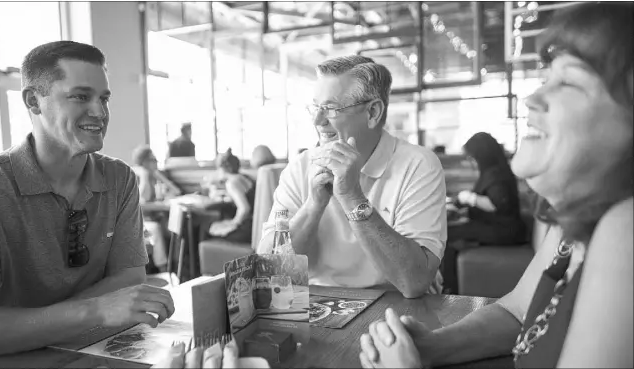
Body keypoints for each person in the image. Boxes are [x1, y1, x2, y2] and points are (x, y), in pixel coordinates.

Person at [360, 3, 633, 368]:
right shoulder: (569, 225)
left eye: (568, 81)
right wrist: (434, 347)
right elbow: (517, 315)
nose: (531, 98)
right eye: (546, 77)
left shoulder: (626, 229)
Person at [0, 41, 175, 366]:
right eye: (80, 96)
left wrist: (32, 323)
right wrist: (96, 309)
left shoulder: (119, 179)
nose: (100, 112)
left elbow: (129, 281)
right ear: (34, 101)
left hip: (91, 351)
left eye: (104, 98)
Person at [256, 55, 447, 298]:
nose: (318, 121)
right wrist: (313, 206)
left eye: (332, 108)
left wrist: (352, 196)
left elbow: (413, 282)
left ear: (373, 112)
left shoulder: (418, 165)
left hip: (394, 305)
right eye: (316, 107)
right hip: (315, 303)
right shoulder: (300, 167)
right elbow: (268, 270)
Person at [442, 132, 527, 293]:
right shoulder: (494, 171)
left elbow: (496, 205)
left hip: (505, 231)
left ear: (481, 155)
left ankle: (449, 289)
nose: (471, 161)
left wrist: (469, 198)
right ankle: (450, 285)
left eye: (472, 156)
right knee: (452, 234)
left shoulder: (496, 174)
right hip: (500, 228)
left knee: (447, 234)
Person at [131, 144, 182, 272]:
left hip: (152, 217)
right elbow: (139, 204)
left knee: (175, 229)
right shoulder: (140, 176)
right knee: (157, 229)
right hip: (138, 220)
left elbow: (176, 191)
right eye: (153, 160)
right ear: (144, 162)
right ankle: (164, 269)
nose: (156, 162)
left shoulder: (151, 175)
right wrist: (162, 205)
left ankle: (176, 267)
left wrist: (158, 175)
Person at [208, 148, 256, 243]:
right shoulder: (244, 177)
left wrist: (233, 223)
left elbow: (245, 208)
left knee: (208, 228)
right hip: (256, 225)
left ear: (222, 168)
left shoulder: (231, 183)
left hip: (248, 229)